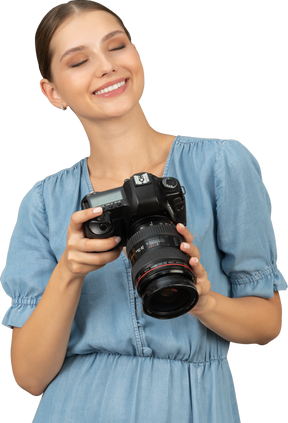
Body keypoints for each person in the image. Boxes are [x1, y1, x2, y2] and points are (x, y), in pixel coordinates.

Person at [0, 1, 286, 422]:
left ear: (139, 55)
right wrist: (70, 272)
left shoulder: (222, 163)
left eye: (115, 47)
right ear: (51, 92)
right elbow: (29, 377)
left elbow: (269, 325)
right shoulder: (42, 200)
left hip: (193, 406)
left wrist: (204, 300)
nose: (106, 67)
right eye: (79, 61)